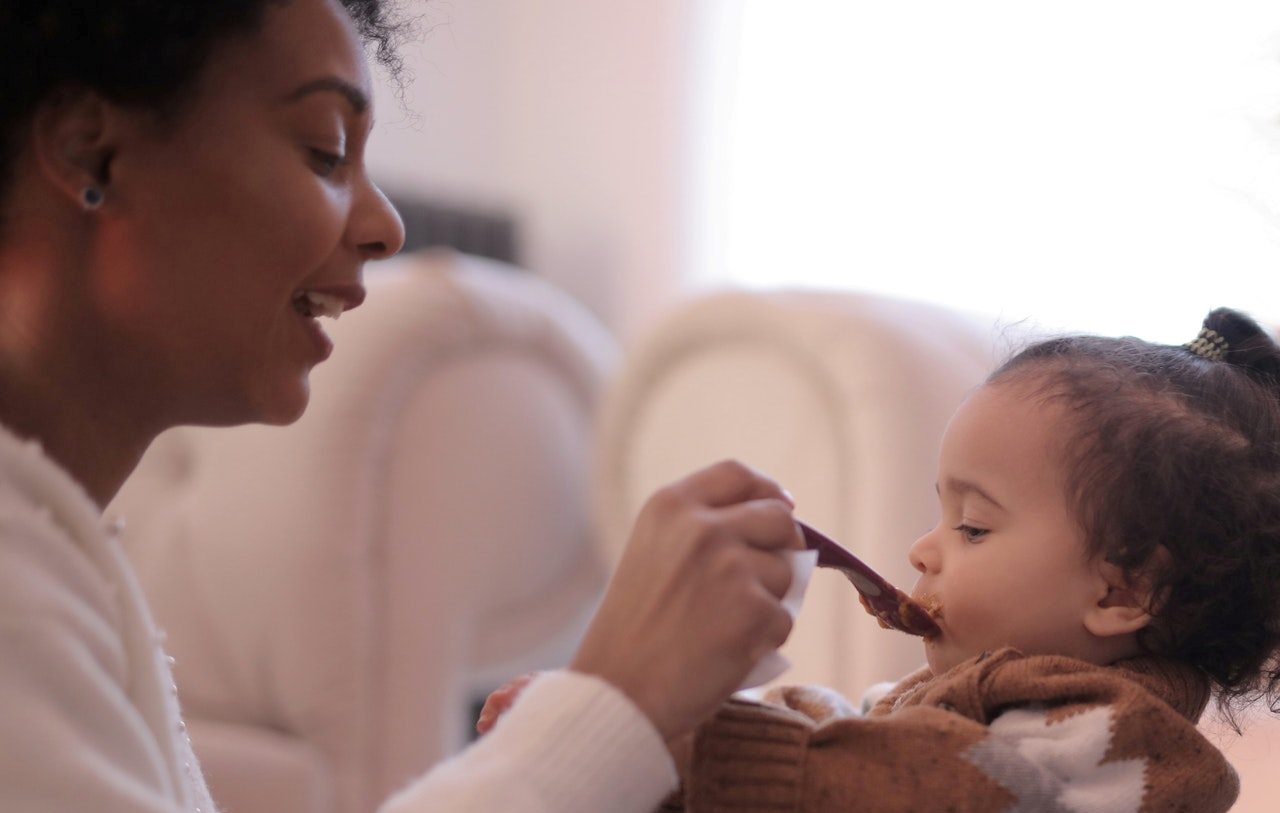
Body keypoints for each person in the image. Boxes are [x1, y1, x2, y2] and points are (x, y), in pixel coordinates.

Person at [0, 2, 803, 811]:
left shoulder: (60, 560)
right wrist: (615, 701)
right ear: (91, 152)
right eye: (324, 151)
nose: (387, 226)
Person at [483, 308, 1280, 812]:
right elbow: (845, 723)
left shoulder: (1121, 747)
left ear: (1123, 588)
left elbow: (931, 784)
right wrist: (636, 726)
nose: (922, 549)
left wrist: (693, 746)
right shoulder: (974, 705)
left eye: (973, 526)